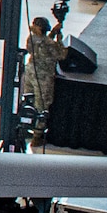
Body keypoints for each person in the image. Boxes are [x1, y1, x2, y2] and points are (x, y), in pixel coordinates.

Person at [23, 16, 67, 149]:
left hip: (30, 73)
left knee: (28, 102)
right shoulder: (49, 43)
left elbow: (42, 44)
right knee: (42, 107)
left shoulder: (31, 38)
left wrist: (53, 33)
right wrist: (59, 38)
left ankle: (25, 129)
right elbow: (61, 55)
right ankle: (37, 137)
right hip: (43, 78)